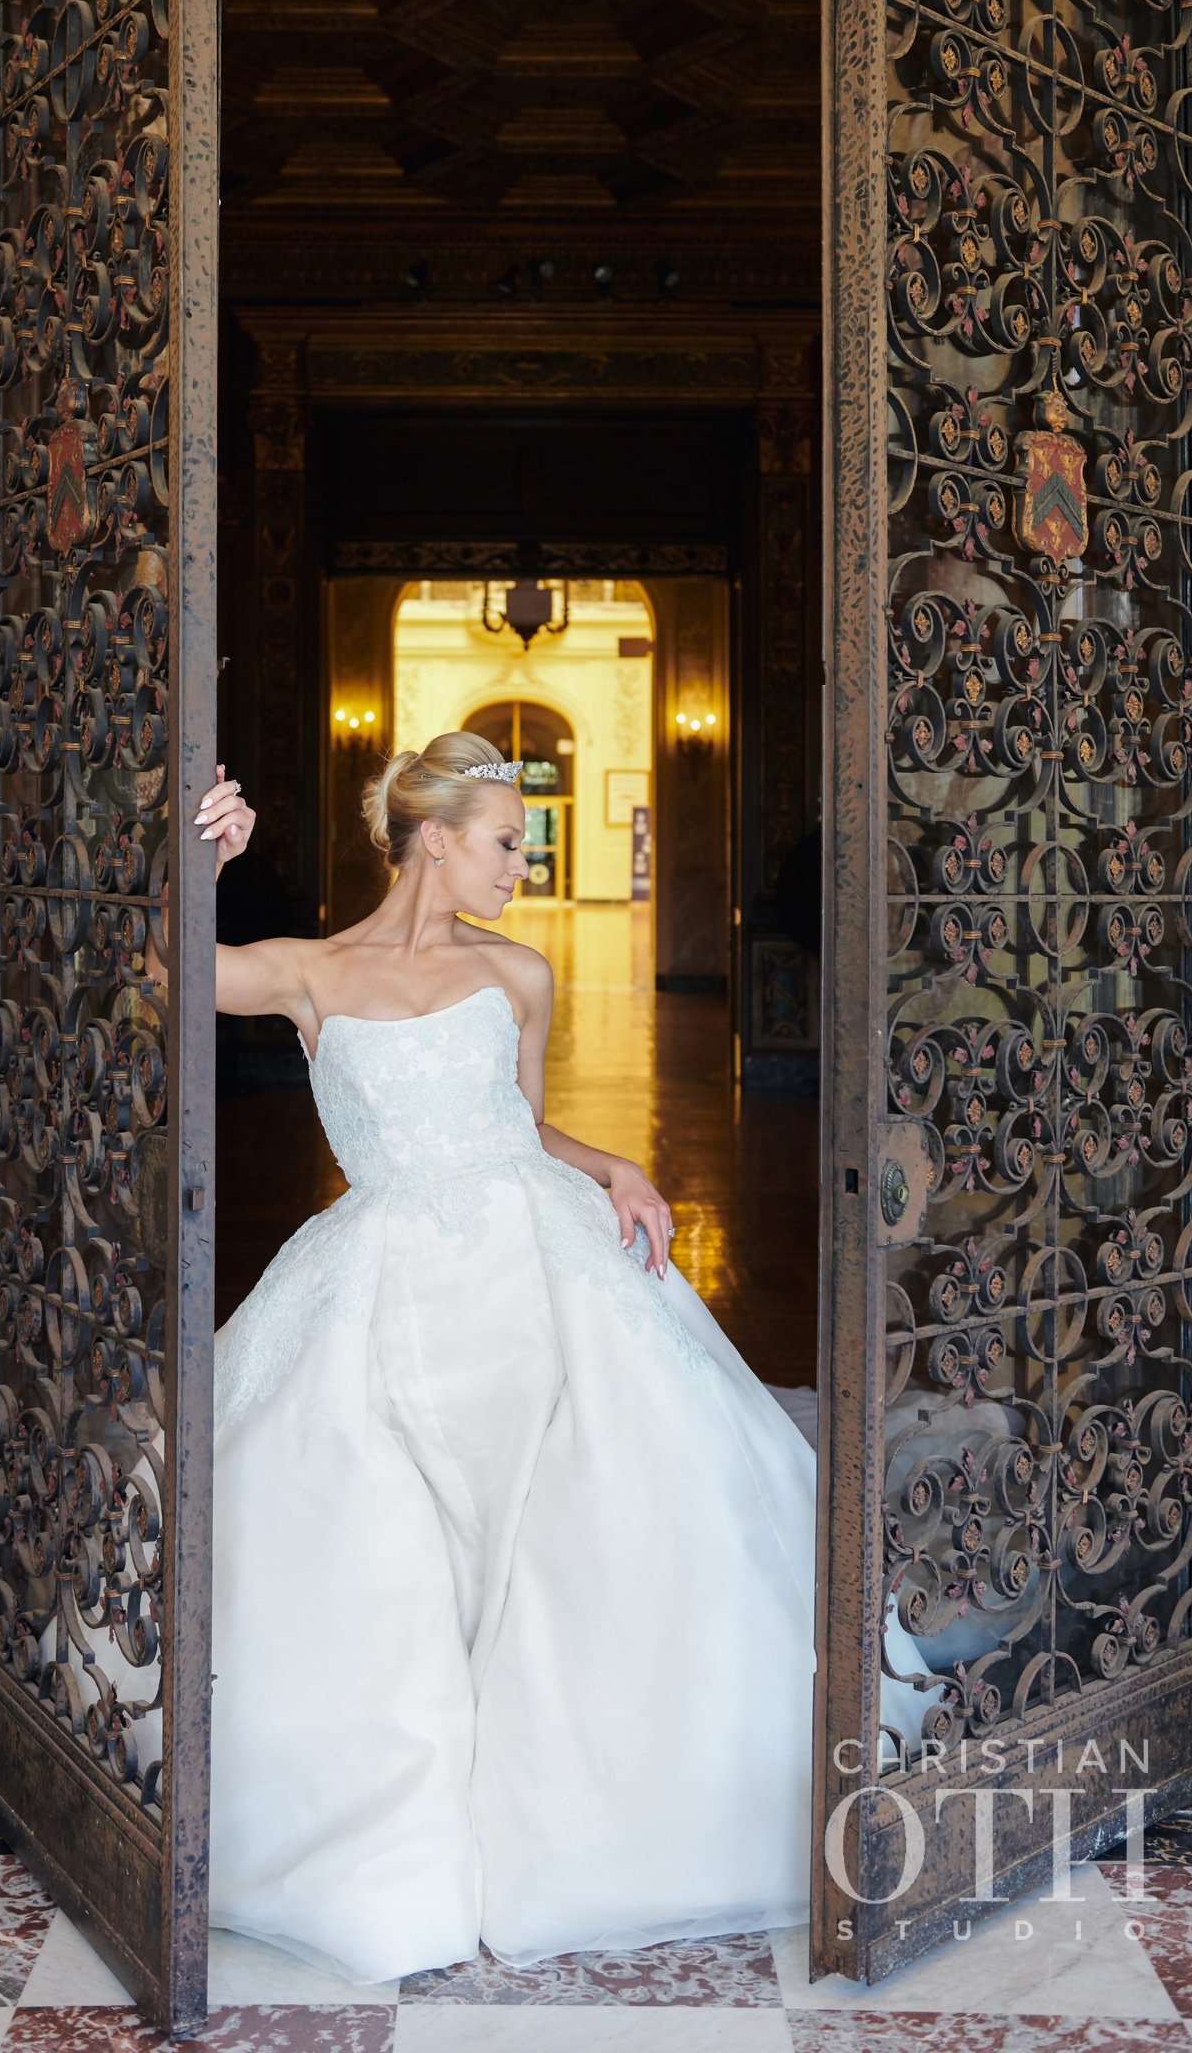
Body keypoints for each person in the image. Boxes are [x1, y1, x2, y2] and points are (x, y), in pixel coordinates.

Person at [198, 731, 934, 1984]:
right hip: (379, 1277)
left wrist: (616, 1167)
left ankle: (581, 1807)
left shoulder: (522, 974)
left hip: (534, 1258)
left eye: (524, 843)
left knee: (594, 1504)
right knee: (366, 1523)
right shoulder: (309, 973)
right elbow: (172, 973)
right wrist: (194, 859)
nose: (519, 864)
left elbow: (521, 1125)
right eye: (501, 842)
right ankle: (392, 1831)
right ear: (432, 838)